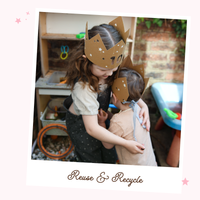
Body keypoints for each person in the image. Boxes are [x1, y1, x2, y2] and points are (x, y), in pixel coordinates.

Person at [64, 17, 150, 164]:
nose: (110, 74)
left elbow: (125, 86)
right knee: (92, 158)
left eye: (114, 68)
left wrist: (144, 106)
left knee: (108, 152)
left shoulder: (109, 64)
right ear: (86, 61)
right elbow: (92, 129)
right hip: (83, 126)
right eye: (103, 69)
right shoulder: (84, 89)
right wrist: (125, 143)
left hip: (99, 117)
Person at [98, 56, 157, 166]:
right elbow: (125, 125)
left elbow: (107, 144)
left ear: (114, 97)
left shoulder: (118, 121)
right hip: (150, 163)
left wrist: (101, 122)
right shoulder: (139, 109)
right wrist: (109, 115)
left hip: (133, 171)